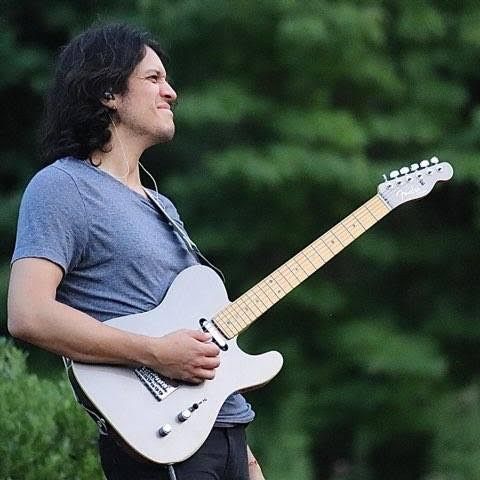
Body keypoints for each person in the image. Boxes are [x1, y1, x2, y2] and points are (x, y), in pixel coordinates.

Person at [7, 23, 265, 480]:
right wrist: (155, 353)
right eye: (153, 78)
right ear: (108, 92)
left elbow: (201, 345)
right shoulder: (62, 186)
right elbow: (28, 314)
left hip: (224, 433)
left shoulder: (163, 205)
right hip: (160, 445)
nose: (171, 92)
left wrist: (245, 458)